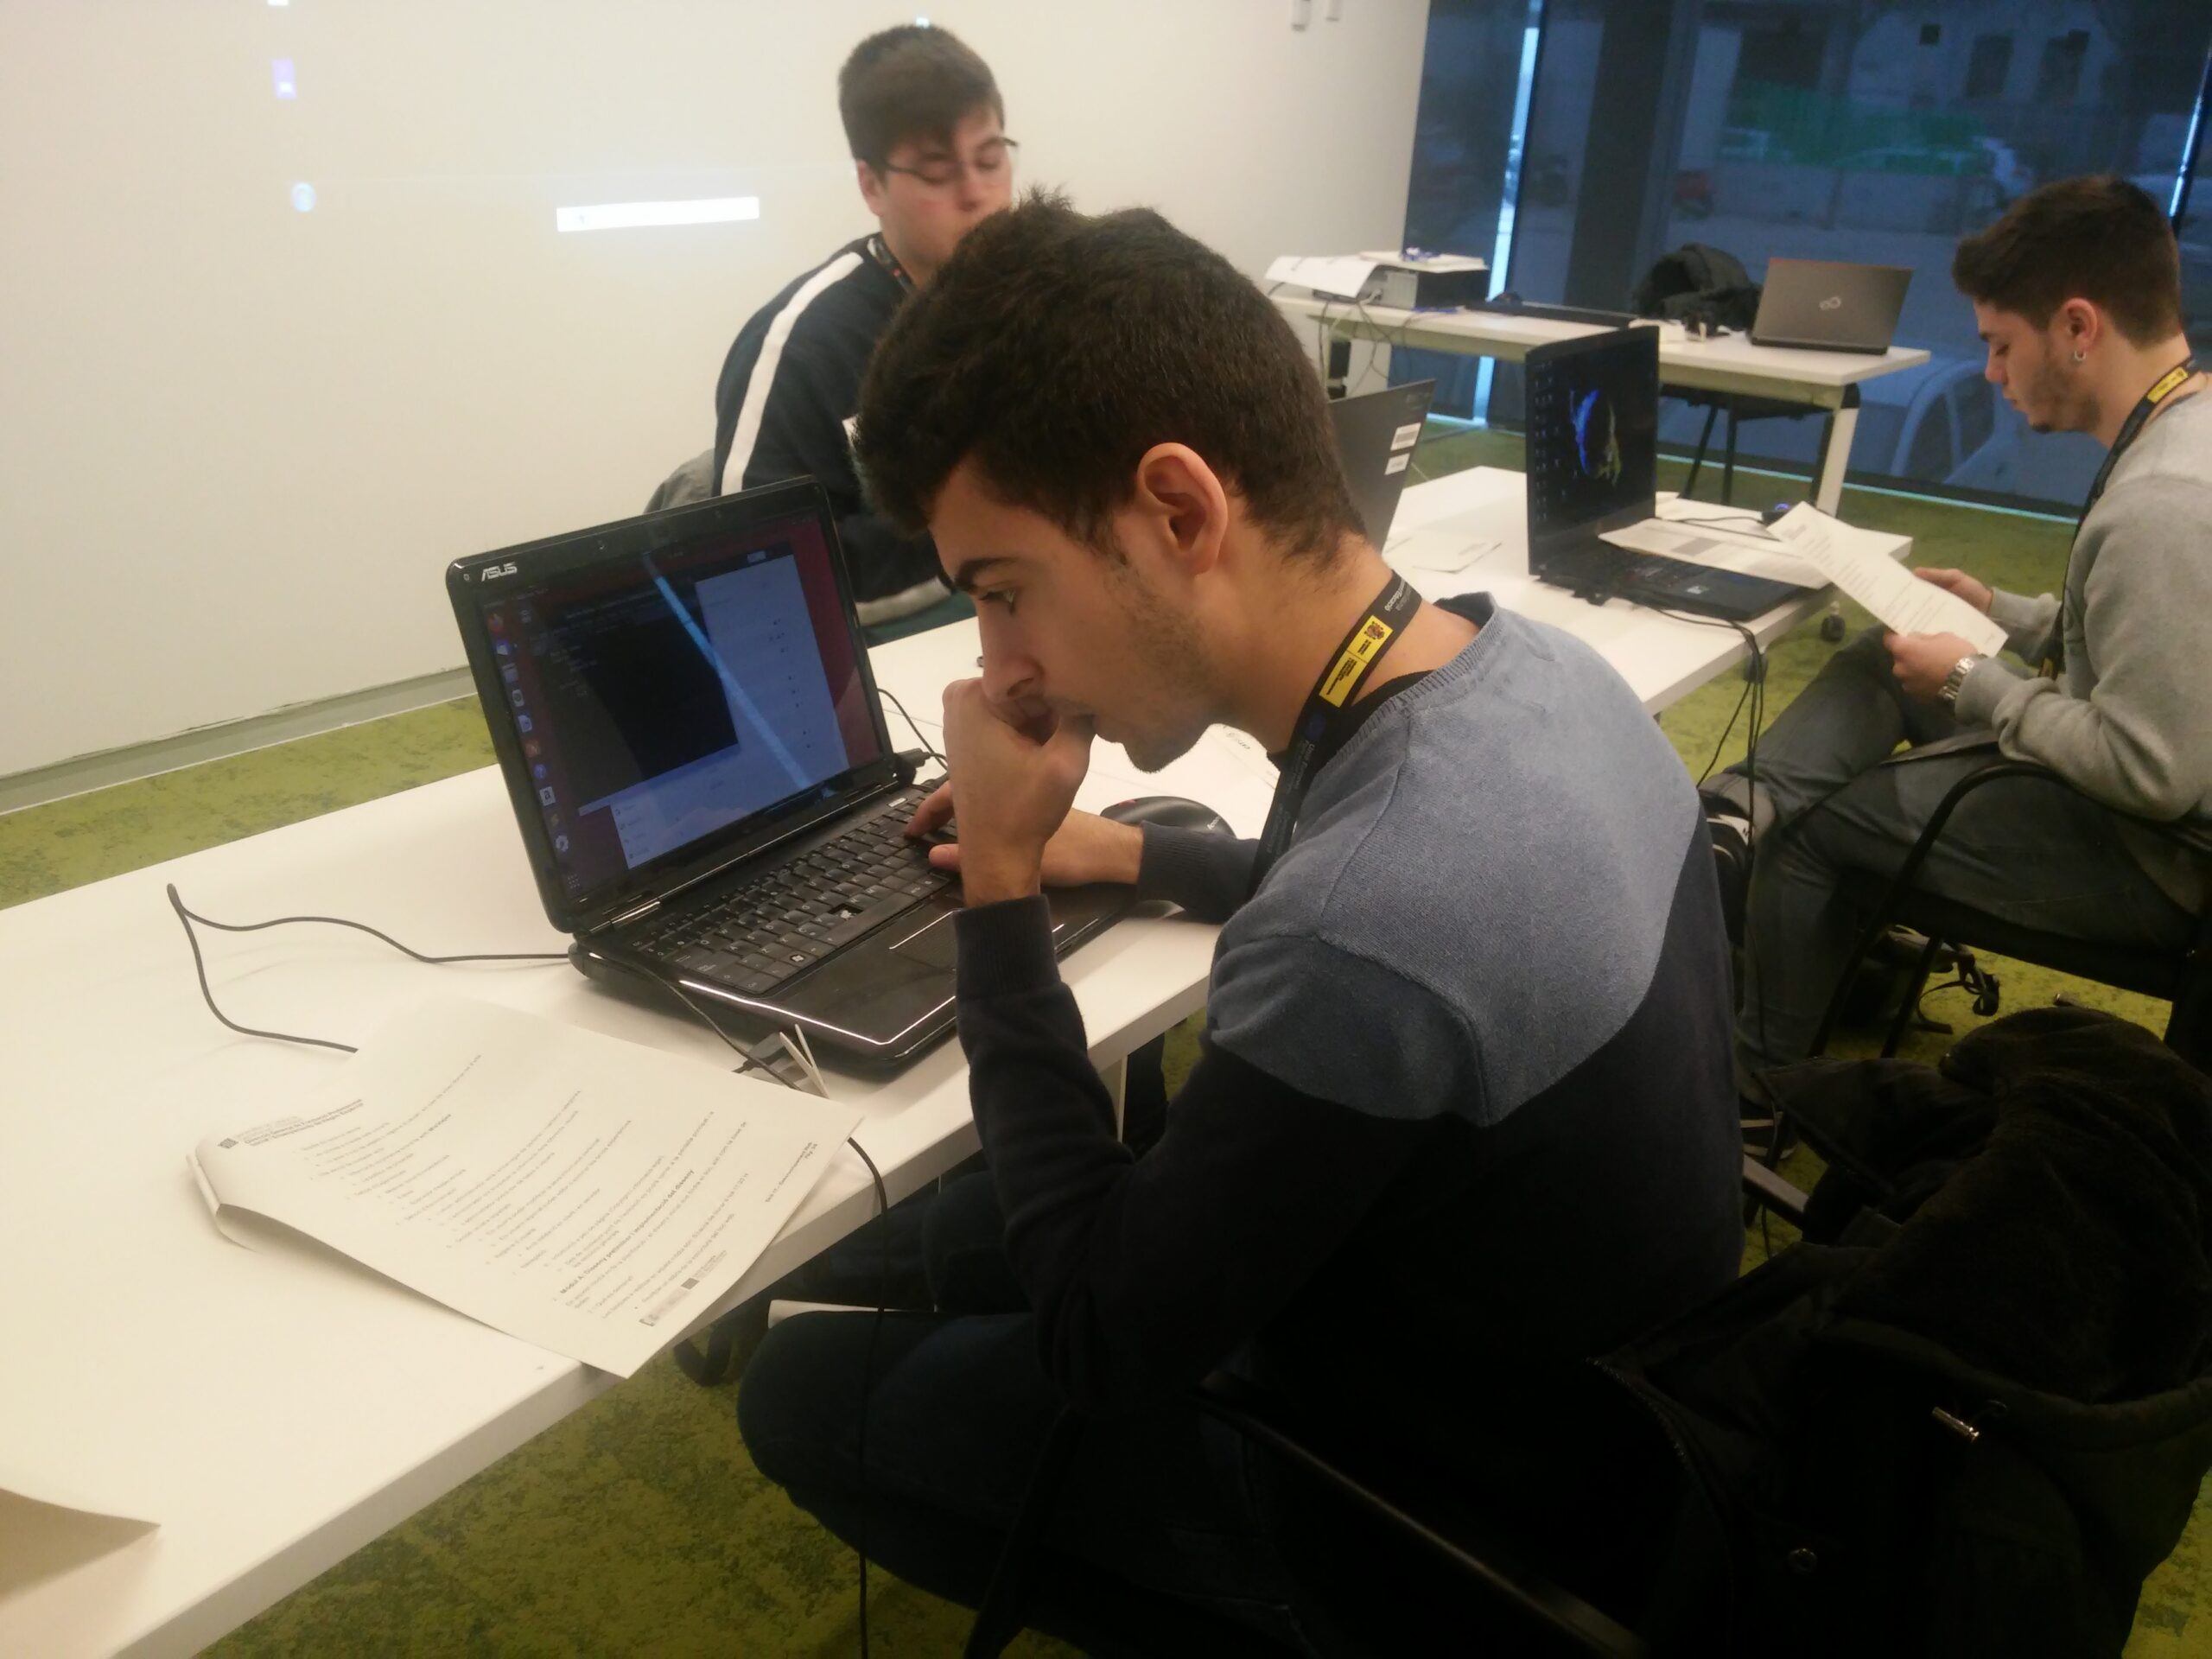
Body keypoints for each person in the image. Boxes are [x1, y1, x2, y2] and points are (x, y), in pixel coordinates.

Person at [734, 194, 1742, 1654]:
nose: (997, 669)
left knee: (798, 1392)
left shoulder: (1361, 925)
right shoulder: (1529, 668)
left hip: (1432, 1539)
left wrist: (1006, 878)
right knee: (928, 1235)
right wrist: (1136, 854)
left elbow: (1100, 1340)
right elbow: (1379, 884)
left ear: (1181, 513)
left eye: (1005, 595)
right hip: (1620, 1413)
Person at [1705, 176, 2211, 1145]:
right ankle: (1733, 818)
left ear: (2077, 327)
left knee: (1814, 836)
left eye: (2000, 344)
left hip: (2153, 858)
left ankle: (1756, 1096)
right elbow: (2148, 639)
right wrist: (2000, 615)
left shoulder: (2165, 507)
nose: (1989, 373)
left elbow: (2151, 770)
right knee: (1882, 655)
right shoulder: (2188, 422)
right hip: (2129, 774)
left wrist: (1978, 683)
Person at [709, 23, 1014, 626]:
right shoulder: (803, 345)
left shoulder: (1040, 299)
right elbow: (753, 578)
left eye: (990, 159)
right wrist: (992, 531)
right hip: (895, 658)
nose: (977, 193)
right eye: (937, 172)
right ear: (872, 185)